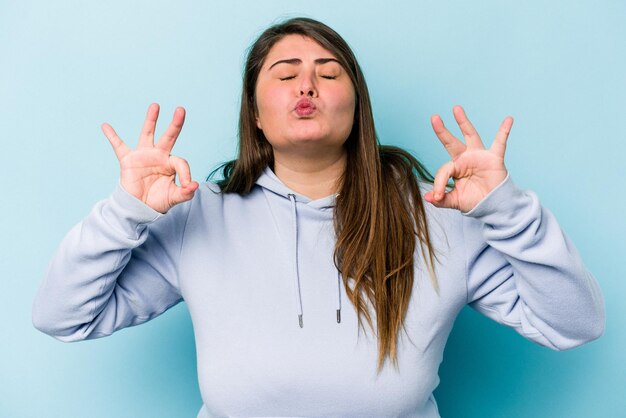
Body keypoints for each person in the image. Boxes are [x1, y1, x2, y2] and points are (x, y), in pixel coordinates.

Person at [32, 17, 605, 418]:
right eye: (285, 74)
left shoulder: (437, 218)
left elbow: (574, 324)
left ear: (357, 108)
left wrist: (507, 208)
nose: (307, 83)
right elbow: (62, 316)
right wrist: (124, 212)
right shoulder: (196, 219)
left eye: (329, 73)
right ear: (255, 115)